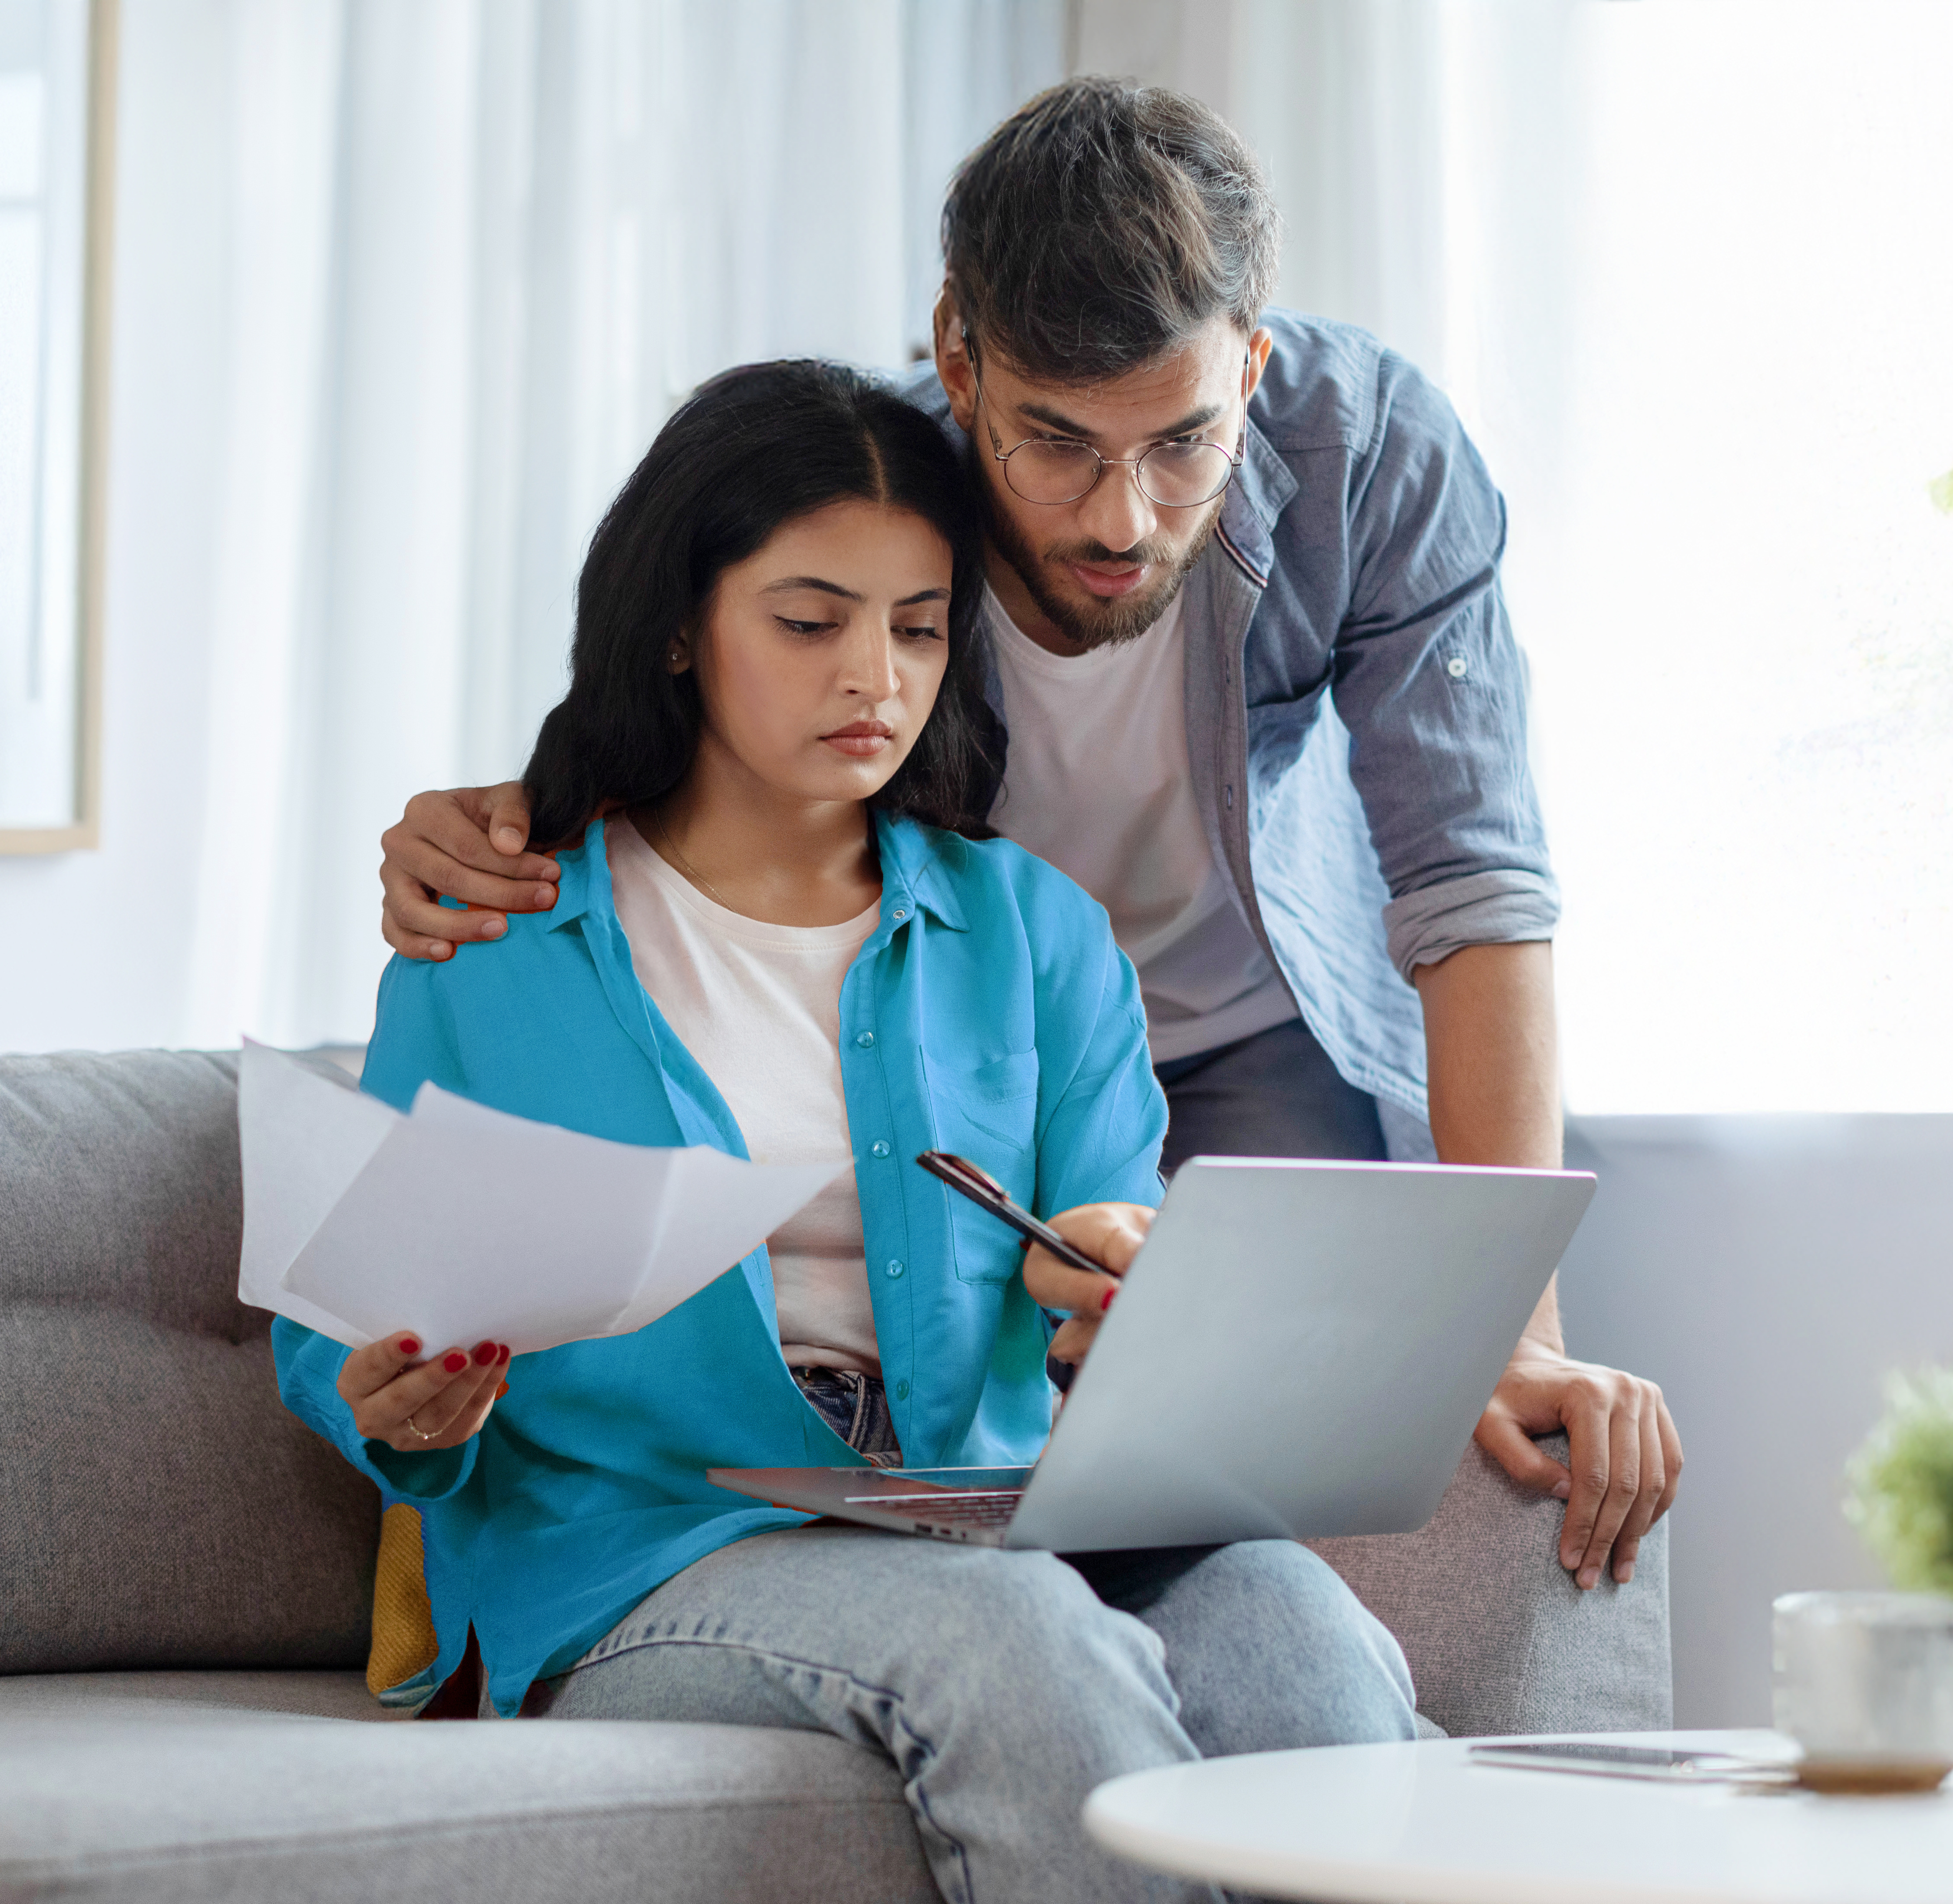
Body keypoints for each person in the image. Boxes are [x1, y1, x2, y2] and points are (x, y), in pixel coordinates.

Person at [373, 79, 1682, 1590]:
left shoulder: (1373, 459)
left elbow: (1475, 890)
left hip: (1262, 1032)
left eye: (1183, 444)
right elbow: (718, 709)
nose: (1120, 518)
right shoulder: (881, 485)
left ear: (1250, 366)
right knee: (1025, 1464)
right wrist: (504, 819)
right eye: (1055, 445)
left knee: (1292, 1482)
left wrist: (1512, 1339)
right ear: (960, 360)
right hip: (981, 1034)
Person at [275, 359, 1426, 1904]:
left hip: (986, 1517)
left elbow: (1107, 1217)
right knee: (1016, 1645)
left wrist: (1117, 1276)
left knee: (1298, 1624)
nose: (873, 677)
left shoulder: (1036, 935)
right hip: (650, 1549)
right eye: (810, 623)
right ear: (681, 626)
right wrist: (392, 1402)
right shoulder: (501, 932)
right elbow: (346, 1299)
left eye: (920, 625)